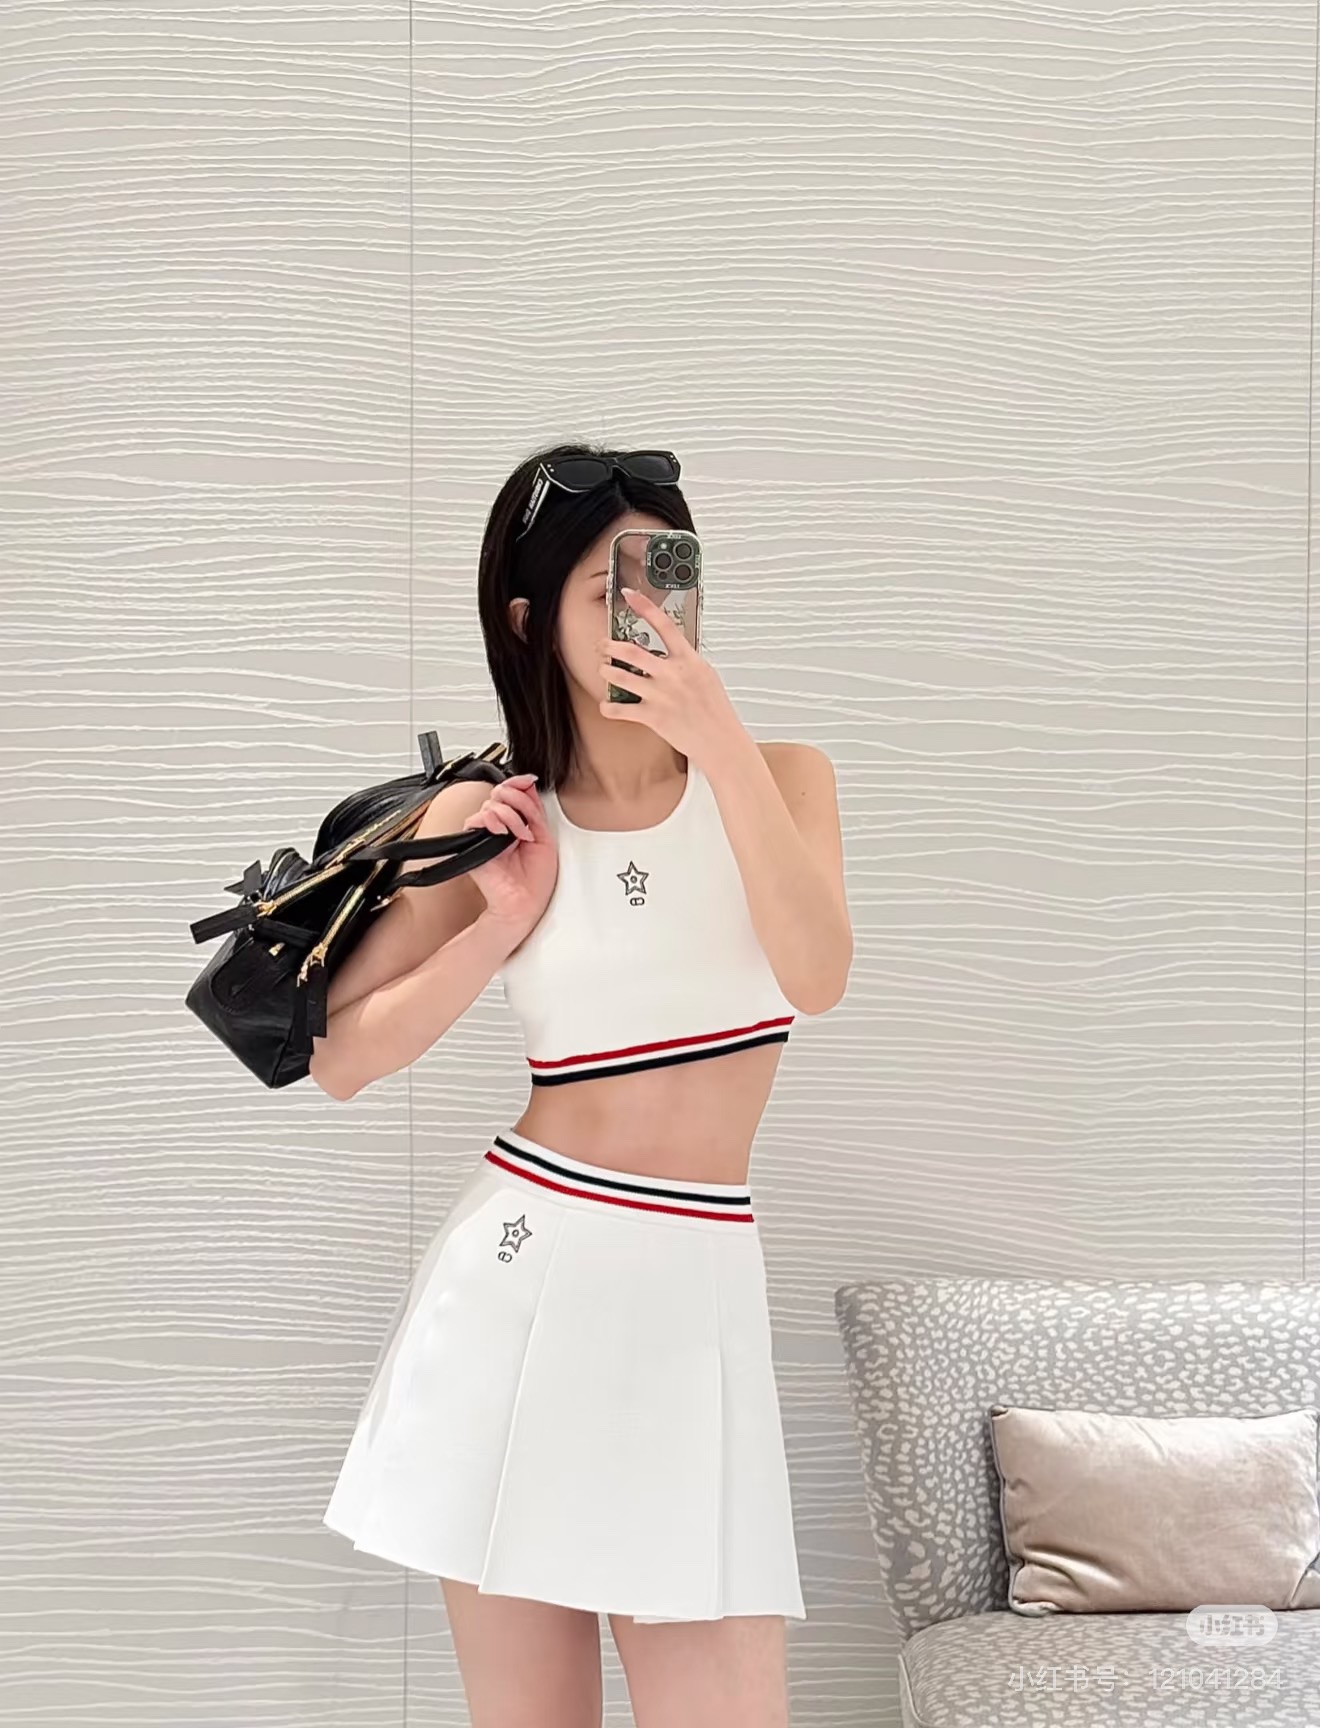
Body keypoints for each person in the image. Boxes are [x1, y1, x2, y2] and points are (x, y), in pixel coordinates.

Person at [310, 443, 852, 1728]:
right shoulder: (494, 818)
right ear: (527, 620)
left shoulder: (782, 779)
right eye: (609, 588)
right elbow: (339, 1058)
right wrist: (499, 925)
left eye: (668, 576)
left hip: (692, 1301)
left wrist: (716, 741)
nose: (647, 613)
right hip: (519, 1284)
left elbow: (818, 972)